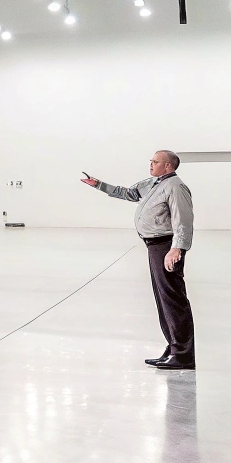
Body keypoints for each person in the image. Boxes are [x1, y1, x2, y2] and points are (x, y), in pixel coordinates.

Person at [81, 151, 195, 370]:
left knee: (173, 300)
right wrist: (98, 184)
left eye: (156, 162)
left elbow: (184, 220)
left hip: (165, 246)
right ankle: (173, 347)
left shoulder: (175, 187)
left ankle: (183, 354)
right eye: (151, 161)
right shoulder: (153, 183)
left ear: (168, 166)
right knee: (163, 300)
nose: (151, 164)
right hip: (154, 246)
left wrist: (177, 248)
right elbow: (129, 193)